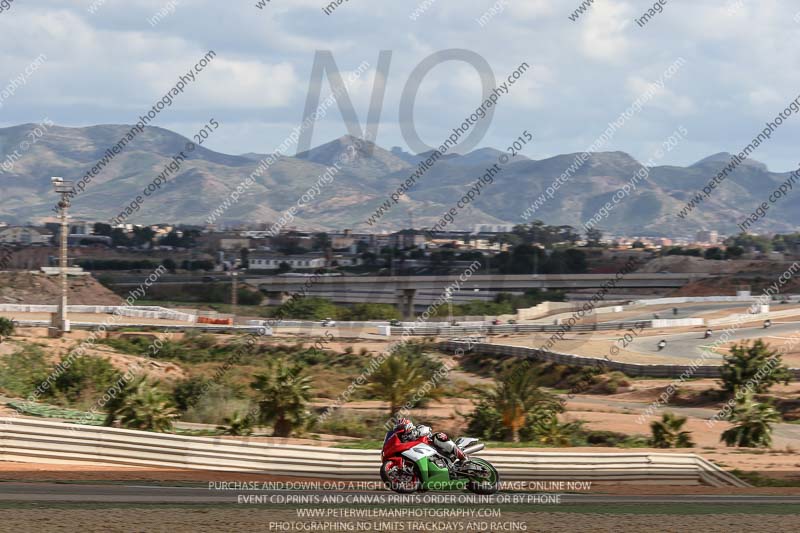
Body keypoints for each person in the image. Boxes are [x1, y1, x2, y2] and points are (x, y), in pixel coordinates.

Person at [391, 417, 465, 462]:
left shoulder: (417, 428)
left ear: (407, 425)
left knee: (438, 436)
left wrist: (417, 433)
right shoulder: (404, 440)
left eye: (400, 428)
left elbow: (428, 429)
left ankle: (462, 456)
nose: (399, 430)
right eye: (398, 429)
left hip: (432, 446)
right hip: (422, 455)